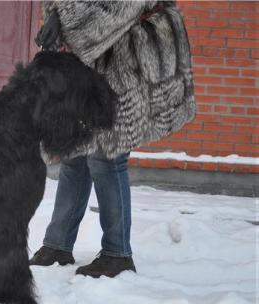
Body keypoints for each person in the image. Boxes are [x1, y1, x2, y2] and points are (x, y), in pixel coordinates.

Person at [30, 1, 196, 277]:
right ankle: (58, 245)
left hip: (125, 57)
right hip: (88, 62)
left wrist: (65, 19)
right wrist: (56, 16)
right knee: (75, 154)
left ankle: (117, 253)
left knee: (107, 156)